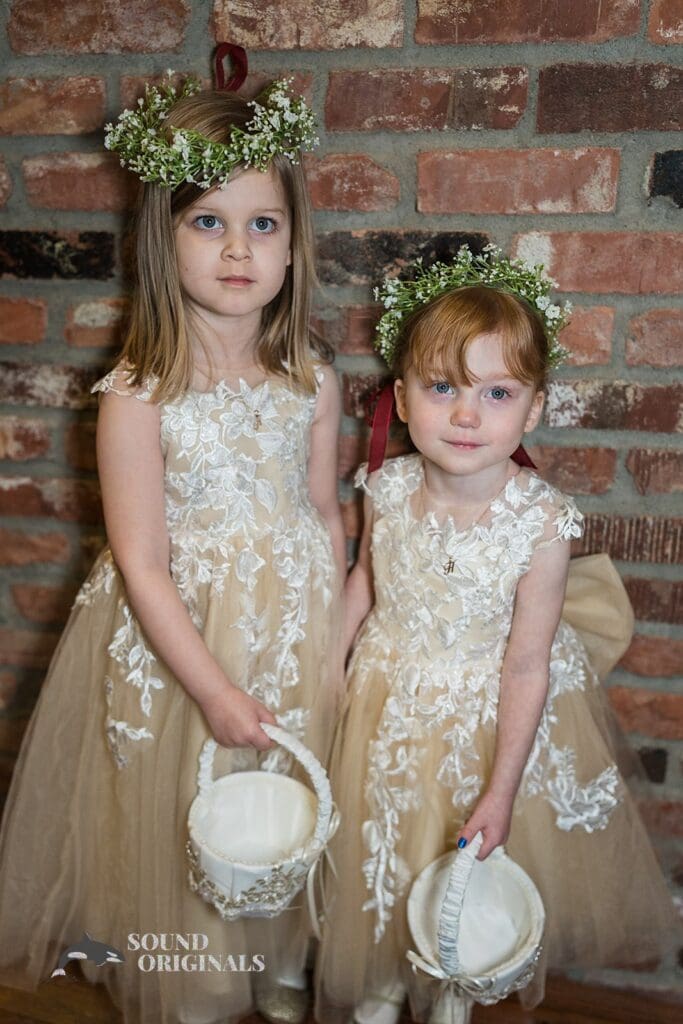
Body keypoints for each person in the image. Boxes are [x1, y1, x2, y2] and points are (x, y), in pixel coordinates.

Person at [0, 71, 344, 1024]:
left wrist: (338, 641)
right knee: (180, 809)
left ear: (291, 241)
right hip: (181, 644)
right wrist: (215, 690)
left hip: (289, 626)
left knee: (274, 804)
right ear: (163, 233)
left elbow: (323, 515)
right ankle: (189, 982)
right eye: (207, 222)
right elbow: (141, 564)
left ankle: (273, 959)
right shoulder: (136, 394)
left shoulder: (312, 379)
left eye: (262, 224)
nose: (239, 248)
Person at [315, 248, 679, 1024]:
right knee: (388, 832)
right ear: (403, 400)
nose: (468, 415)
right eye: (442, 387)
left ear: (534, 408)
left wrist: (503, 788)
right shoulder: (386, 486)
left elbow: (524, 668)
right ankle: (381, 972)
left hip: (486, 712)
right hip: (390, 693)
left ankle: (450, 987)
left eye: (497, 392)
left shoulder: (538, 522)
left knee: (459, 850)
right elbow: (365, 582)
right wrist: (325, 669)